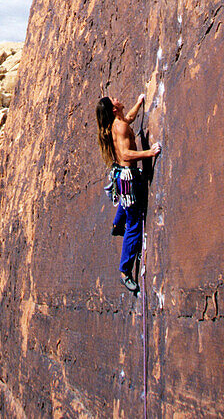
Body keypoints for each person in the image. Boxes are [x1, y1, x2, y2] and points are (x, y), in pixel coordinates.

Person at [96, 92, 161, 294]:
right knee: (134, 225)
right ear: (114, 109)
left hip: (121, 175)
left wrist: (139, 103)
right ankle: (125, 271)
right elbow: (125, 154)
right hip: (127, 178)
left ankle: (117, 223)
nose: (116, 98)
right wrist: (149, 153)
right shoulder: (120, 126)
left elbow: (129, 119)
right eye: (113, 100)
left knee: (127, 203)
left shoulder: (119, 122)